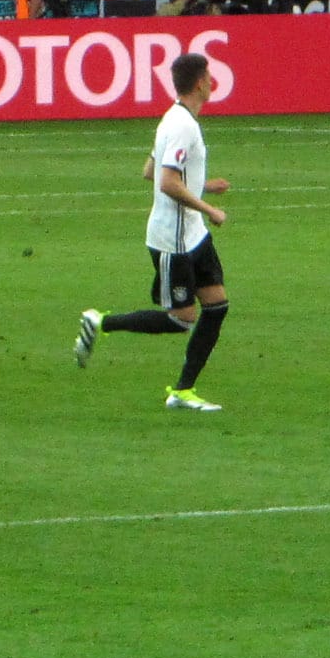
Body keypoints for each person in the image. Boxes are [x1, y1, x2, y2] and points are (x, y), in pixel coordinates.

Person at [72, 52, 233, 411]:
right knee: (181, 320)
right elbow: (165, 182)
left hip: (193, 234)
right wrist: (210, 209)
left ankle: (183, 391)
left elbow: (149, 169)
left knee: (217, 306)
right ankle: (100, 322)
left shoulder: (175, 119)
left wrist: (203, 186)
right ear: (198, 83)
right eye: (208, 75)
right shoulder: (181, 126)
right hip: (173, 240)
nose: (212, 81)